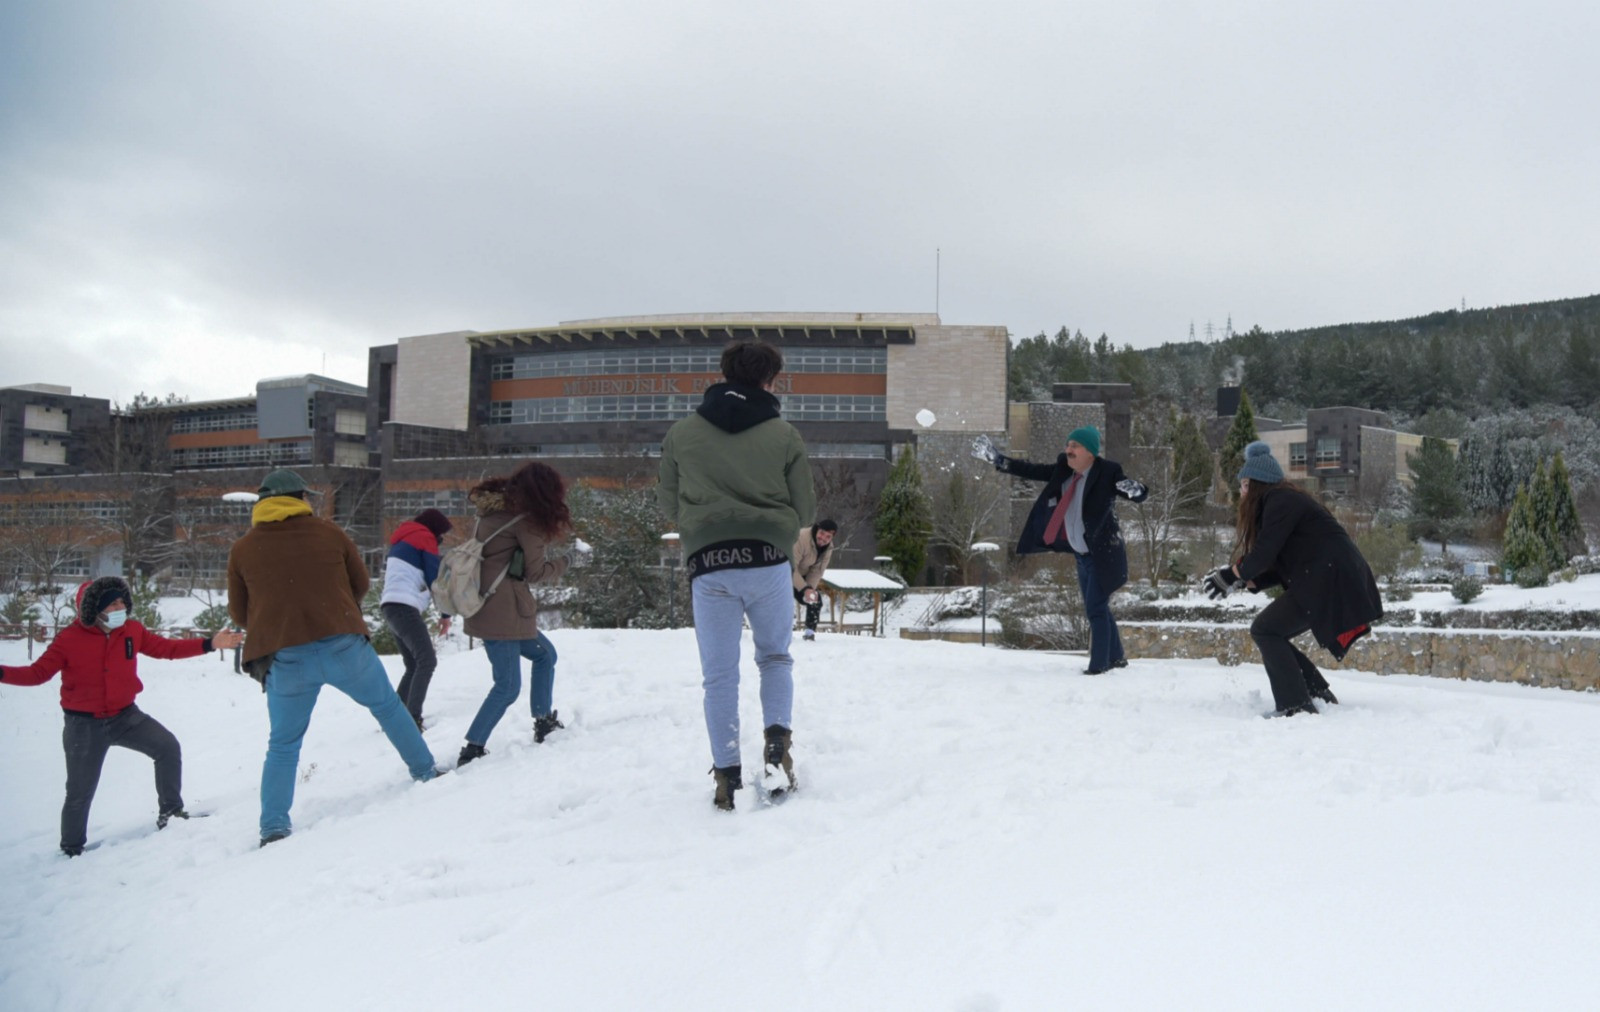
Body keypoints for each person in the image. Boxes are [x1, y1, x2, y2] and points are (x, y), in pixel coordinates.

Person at [227, 468, 441, 847]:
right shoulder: (330, 533)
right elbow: (360, 584)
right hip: (343, 645)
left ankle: (273, 827)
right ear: (298, 498)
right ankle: (426, 773)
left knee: (283, 744)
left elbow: (240, 615)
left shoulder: (244, 549)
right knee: (389, 708)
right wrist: (331, 608)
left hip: (286, 657)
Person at [658, 340, 816, 810]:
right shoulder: (784, 435)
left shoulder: (682, 434)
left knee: (719, 676)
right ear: (771, 381)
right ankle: (777, 752)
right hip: (768, 561)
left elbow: (669, 503)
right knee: (774, 659)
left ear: (723, 374)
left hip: (710, 565)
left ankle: (726, 776)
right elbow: (805, 508)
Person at [0, 576, 243, 857]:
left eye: (121, 601)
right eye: (112, 603)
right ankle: (71, 849)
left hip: (126, 717)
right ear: (94, 609)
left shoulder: (132, 630)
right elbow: (36, 674)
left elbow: (167, 649)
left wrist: (210, 643)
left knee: (167, 747)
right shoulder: (68, 639)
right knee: (79, 791)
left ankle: (171, 814)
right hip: (84, 725)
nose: (120, 607)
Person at [1203, 441, 1383, 717]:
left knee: (1266, 629)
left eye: (1241, 485)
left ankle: (1296, 705)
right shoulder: (1283, 501)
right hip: (1324, 577)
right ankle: (1314, 692)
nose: (1240, 493)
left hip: (1327, 578)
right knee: (1271, 631)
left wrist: (1232, 574)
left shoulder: (1280, 501)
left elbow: (1264, 553)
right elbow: (1278, 562)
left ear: (1252, 484)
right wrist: (1245, 581)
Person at [973, 426, 1147, 674]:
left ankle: (1099, 667)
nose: (1068, 450)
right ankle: (1117, 657)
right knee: (1098, 605)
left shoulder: (1108, 472)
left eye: (1075, 446)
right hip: (1081, 556)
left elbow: (1130, 489)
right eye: (1068, 445)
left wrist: (1137, 490)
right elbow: (1030, 470)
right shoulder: (1063, 470)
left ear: (1090, 452)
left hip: (1103, 555)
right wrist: (999, 459)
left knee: (1095, 609)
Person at [456, 461, 574, 767]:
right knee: (507, 686)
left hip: (493, 605)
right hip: (503, 612)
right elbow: (535, 571)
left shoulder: (492, 512)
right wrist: (567, 561)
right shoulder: (525, 520)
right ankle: (473, 748)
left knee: (544, 655)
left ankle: (543, 720)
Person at [380, 508, 454, 729]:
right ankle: (411, 719)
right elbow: (435, 579)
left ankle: (394, 718)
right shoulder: (424, 538)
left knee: (413, 664)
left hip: (390, 606)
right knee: (427, 661)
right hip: (404, 606)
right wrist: (445, 614)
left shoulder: (403, 538)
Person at [791, 519, 837, 641]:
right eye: (822, 533)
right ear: (817, 529)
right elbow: (790, 567)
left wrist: (809, 590)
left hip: (802, 576)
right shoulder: (801, 537)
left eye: (828, 536)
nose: (823, 538)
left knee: (815, 600)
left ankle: (809, 633)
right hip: (783, 573)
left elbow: (817, 571)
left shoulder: (828, 548)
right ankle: (777, 633)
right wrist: (804, 588)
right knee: (781, 602)